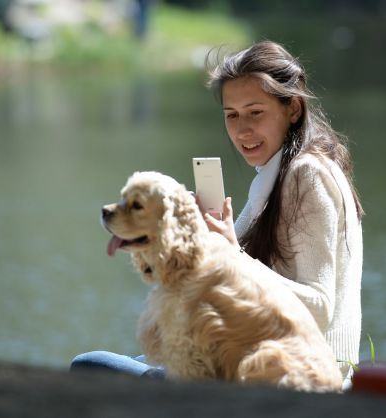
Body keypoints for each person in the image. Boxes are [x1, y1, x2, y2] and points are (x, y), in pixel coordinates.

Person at [71, 40, 363, 389]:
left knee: (90, 366)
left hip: (301, 380)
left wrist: (230, 252)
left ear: (293, 110)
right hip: (253, 364)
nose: (242, 130)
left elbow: (318, 308)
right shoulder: (274, 178)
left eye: (256, 112)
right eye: (232, 115)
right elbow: (226, 281)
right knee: (134, 360)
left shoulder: (306, 175)